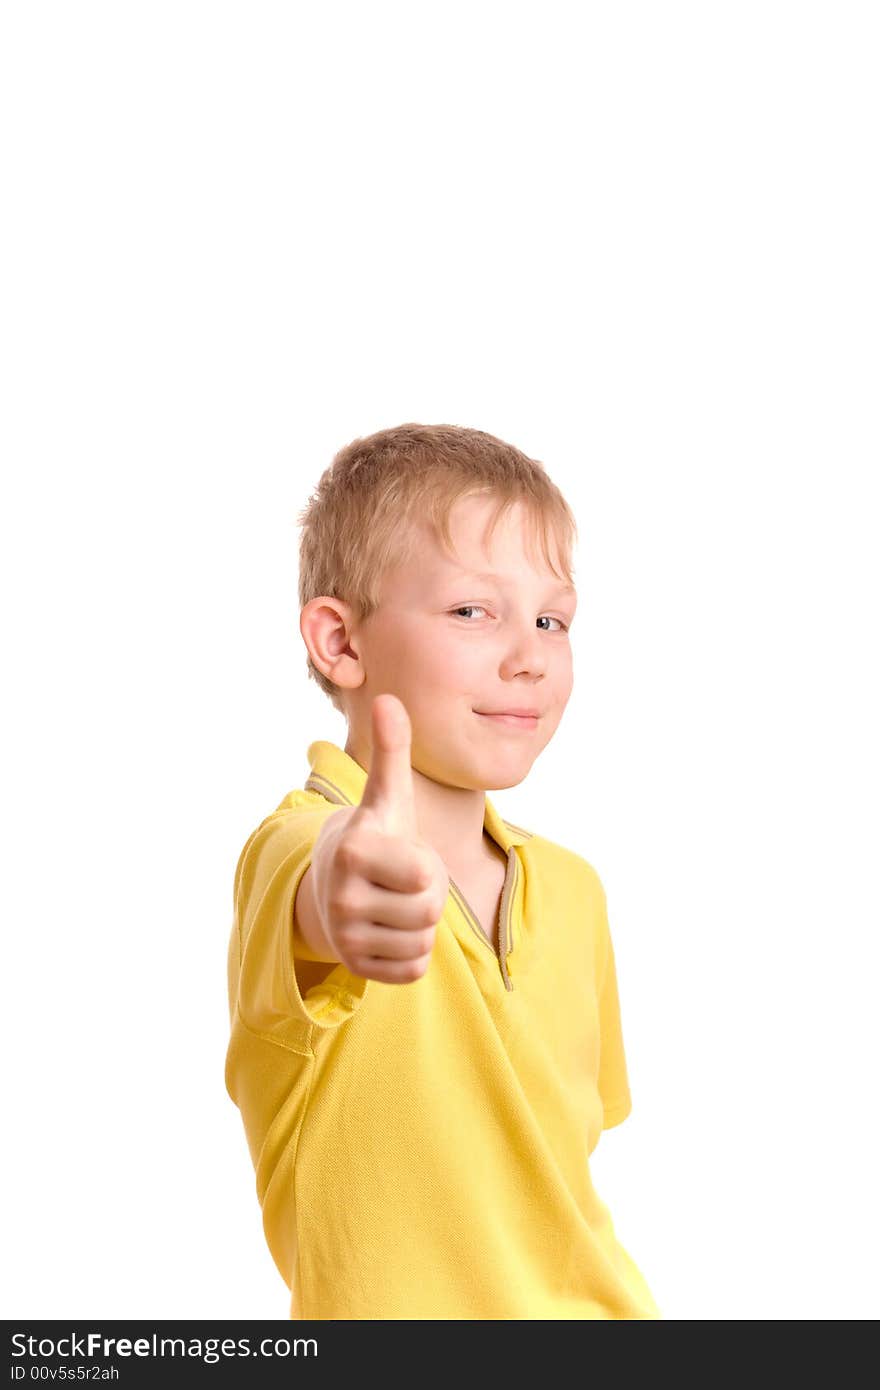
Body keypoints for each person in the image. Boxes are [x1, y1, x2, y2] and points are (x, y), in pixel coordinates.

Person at [225, 422, 662, 1320]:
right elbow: (320, 887)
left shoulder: (576, 892)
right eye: (473, 610)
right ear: (340, 642)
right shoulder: (296, 853)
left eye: (553, 619)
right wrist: (340, 891)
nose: (530, 653)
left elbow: (563, 1176)